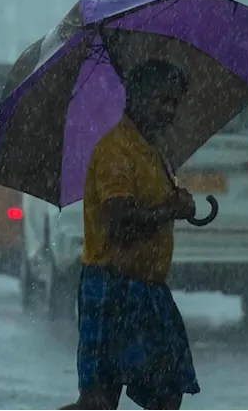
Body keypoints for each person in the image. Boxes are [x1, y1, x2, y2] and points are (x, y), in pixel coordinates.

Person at [61, 59, 200, 410]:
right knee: (98, 402)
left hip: (149, 290)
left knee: (167, 392)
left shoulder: (151, 151)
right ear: (135, 97)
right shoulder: (115, 152)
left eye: (174, 102)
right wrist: (172, 209)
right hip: (111, 287)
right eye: (161, 100)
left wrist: (174, 202)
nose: (169, 111)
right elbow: (119, 224)